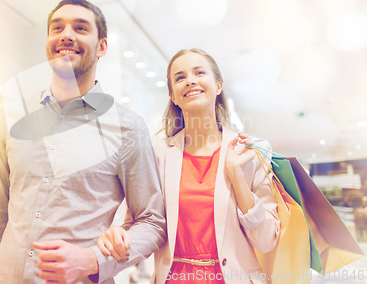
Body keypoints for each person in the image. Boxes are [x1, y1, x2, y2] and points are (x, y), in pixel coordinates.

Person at [0, 0, 166, 284]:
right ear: (48, 42)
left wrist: (94, 260)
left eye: (80, 28)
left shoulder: (127, 128)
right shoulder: (14, 117)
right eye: (57, 28)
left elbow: (152, 221)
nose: (66, 35)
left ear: (101, 46)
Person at [97, 49, 280, 284]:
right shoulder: (157, 154)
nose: (190, 80)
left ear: (218, 86)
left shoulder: (250, 152)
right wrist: (119, 236)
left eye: (199, 72)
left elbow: (267, 240)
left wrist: (236, 175)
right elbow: (139, 223)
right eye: (180, 77)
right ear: (173, 95)